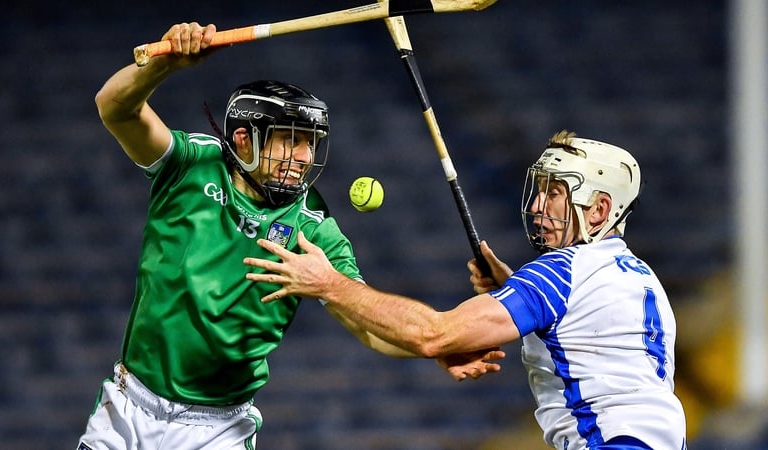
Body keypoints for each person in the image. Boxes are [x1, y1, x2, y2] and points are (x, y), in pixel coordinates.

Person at [79, 21, 501, 450]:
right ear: (244, 139)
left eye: (310, 143)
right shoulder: (190, 165)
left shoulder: (313, 228)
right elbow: (114, 107)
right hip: (128, 407)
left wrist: (431, 346)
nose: (303, 157)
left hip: (216, 431)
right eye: (289, 141)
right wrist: (165, 63)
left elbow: (368, 327)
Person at [244, 130, 688, 450]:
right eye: (539, 190)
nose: (537, 206)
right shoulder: (637, 275)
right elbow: (583, 336)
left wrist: (330, 284)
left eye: (555, 193)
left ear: (599, 210)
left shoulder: (561, 272)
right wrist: (514, 289)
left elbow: (433, 335)